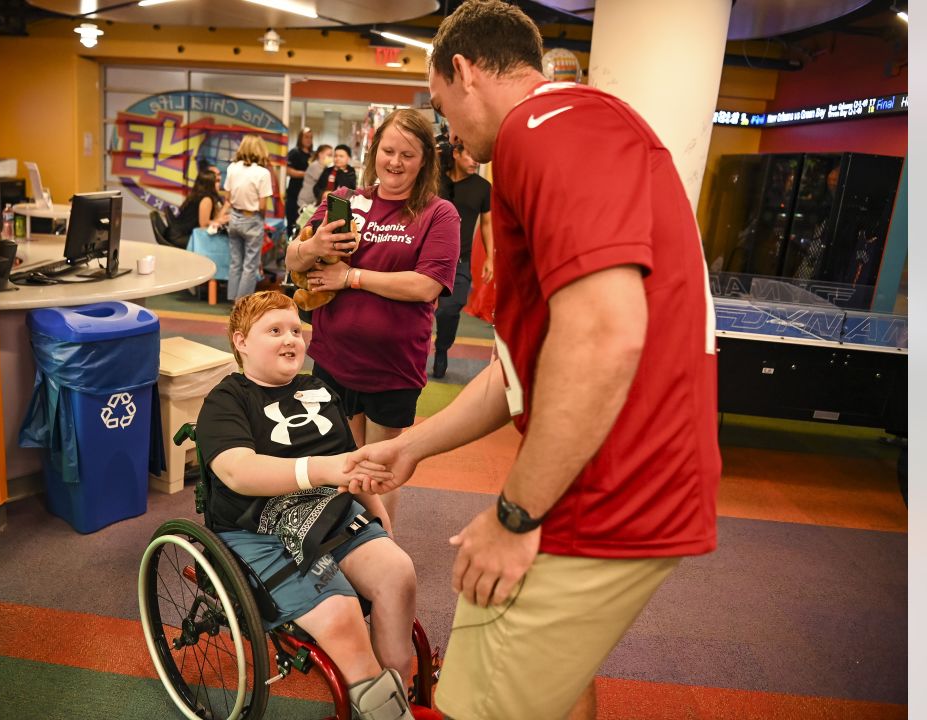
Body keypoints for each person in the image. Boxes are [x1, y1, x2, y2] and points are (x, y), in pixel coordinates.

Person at [345, 2, 722, 719]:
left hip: (603, 491)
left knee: (478, 701)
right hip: (621, 479)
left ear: (463, 70)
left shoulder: (543, 130)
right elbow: (520, 369)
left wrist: (515, 516)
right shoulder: (572, 132)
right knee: (552, 686)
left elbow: (606, 335)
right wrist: (415, 447)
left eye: (440, 106)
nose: (449, 132)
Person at [194, 290, 424, 720]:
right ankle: (382, 707)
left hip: (330, 510)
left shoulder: (317, 389)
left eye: (296, 330)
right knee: (341, 614)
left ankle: (400, 688)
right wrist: (319, 470)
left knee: (398, 572)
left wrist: (378, 512)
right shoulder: (226, 401)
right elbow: (239, 472)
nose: (291, 339)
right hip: (255, 527)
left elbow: (349, 458)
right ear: (241, 341)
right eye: (275, 330)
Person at [286, 108, 460, 527]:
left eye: (408, 154)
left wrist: (351, 277)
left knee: (379, 475)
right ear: (374, 151)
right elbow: (291, 257)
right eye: (388, 151)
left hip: (392, 367)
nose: (395, 162)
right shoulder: (345, 201)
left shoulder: (439, 214)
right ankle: (347, 549)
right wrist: (313, 247)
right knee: (343, 466)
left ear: (425, 161)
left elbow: (426, 285)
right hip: (334, 358)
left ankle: (383, 551)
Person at [432, 141, 494, 379]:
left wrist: (491, 257)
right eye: (470, 155)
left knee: (449, 309)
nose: (476, 161)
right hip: (427, 257)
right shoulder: (435, 182)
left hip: (460, 260)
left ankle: (442, 348)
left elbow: (487, 223)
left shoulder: (483, 187)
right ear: (456, 154)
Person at [222, 134, 274, 301]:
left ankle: (232, 299)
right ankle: (242, 303)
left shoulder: (232, 168)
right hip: (252, 219)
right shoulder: (262, 173)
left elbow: (227, 197)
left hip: (234, 217)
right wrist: (261, 220)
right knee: (250, 265)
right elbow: (263, 205)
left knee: (235, 263)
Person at [165, 164, 229, 249]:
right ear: (209, 183)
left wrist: (226, 205)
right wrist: (220, 220)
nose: (219, 184)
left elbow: (212, 220)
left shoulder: (200, 195)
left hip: (178, 233)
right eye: (217, 181)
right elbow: (204, 225)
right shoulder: (206, 199)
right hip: (179, 237)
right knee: (220, 243)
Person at [285, 126, 314, 232]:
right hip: (295, 194)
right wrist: (307, 174)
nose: (308, 140)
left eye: (310, 137)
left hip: (309, 197)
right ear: (300, 138)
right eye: (306, 137)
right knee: (293, 222)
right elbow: (288, 171)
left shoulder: (313, 154)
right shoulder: (294, 152)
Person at [299, 143, 334, 209]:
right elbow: (324, 182)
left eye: (332, 155)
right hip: (305, 202)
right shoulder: (315, 166)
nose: (331, 158)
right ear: (320, 154)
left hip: (312, 202)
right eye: (329, 155)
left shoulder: (324, 168)